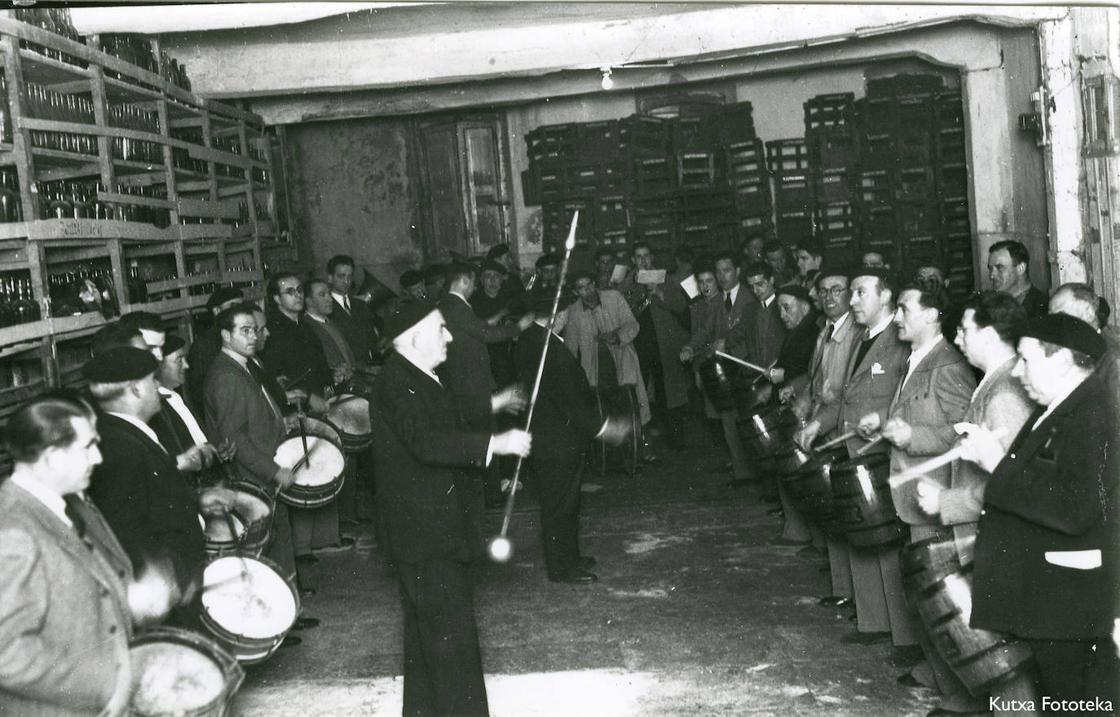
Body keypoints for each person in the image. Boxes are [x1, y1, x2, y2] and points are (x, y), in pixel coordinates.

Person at [370, 302, 532, 717]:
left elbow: (450, 418)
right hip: (426, 536)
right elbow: (426, 442)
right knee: (451, 646)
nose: (450, 337)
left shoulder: (418, 376)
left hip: (434, 531)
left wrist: (491, 411)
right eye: (442, 329)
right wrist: (494, 445)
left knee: (430, 646)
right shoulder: (395, 383)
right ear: (416, 337)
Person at [958, 314, 1118, 710]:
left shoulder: (1094, 415)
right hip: (1050, 599)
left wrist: (998, 465)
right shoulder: (1059, 407)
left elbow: (1076, 508)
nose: (1016, 369)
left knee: (1080, 703)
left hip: (1071, 604)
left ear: (1062, 360)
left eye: (1026, 359)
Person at [0, 394, 175, 717]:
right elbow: (7, 653)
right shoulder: (13, 531)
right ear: (52, 457)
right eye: (87, 447)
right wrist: (109, 683)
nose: (97, 457)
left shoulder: (52, 508)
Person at [914, 291, 1036, 715]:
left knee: (1004, 661)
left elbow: (1012, 485)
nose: (959, 339)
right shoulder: (990, 384)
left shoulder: (1003, 395)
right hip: (980, 537)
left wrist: (947, 500)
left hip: (994, 540)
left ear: (991, 333)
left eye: (965, 329)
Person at [860, 283, 975, 701]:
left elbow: (967, 433)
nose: (899, 316)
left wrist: (912, 436)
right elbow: (913, 412)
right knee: (929, 599)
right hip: (916, 497)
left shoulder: (946, 366)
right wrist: (884, 419)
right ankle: (941, 677)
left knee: (943, 603)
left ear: (932, 315)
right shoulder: (916, 359)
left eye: (905, 308)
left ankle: (961, 697)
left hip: (937, 499)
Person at [797, 268, 909, 647]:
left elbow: (906, 403)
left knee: (886, 544)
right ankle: (874, 621)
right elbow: (844, 395)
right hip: (853, 452)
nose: (853, 300)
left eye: (860, 293)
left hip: (882, 457)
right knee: (862, 536)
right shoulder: (862, 337)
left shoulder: (900, 340)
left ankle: (903, 636)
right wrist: (818, 424)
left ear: (886, 296)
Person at [85, 347, 207, 624]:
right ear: (135, 390)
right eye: (153, 380)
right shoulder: (120, 446)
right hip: (166, 589)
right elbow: (126, 528)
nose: (158, 386)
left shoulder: (129, 433)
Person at [514, 296, 617, 583]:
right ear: (557, 316)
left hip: (551, 436)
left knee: (566, 503)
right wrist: (601, 428)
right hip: (557, 439)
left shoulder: (532, 338)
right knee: (560, 504)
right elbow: (568, 399)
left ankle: (569, 556)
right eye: (565, 314)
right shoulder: (548, 346)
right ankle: (563, 567)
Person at [793, 271, 861, 610]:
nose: (830, 296)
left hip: (838, 427)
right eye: (823, 291)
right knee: (832, 506)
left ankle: (853, 591)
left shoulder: (855, 334)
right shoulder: (824, 332)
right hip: (822, 425)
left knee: (846, 509)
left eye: (837, 289)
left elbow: (845, 391)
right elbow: (817, 378)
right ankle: (843, 586)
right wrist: (804, 400)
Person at [680, 252, 757, 481]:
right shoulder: (717, 302)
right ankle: (741, 472)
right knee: (729, 419)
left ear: (738, 272)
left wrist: (729, 342)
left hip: (748, 367)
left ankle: (758, 471)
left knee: (750, 420)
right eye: (719, 271)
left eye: (727, 270)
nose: (723, 276)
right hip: (725, 371)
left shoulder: (750, 295)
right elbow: (705, 331)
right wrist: (690, 348)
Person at [622, 242, 692, 449]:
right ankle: (642, 443)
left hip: (664, 346)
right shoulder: (627, 284)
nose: (643, 260)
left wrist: (659, 294)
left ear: (652, 258)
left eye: (646, 256)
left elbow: (681, 307)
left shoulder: (666, 279)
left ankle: (676, 440)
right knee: (639, 394)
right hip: (639, 347)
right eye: (638, 257)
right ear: (633, 261)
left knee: (669, 394)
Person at [565, 271, 653, 433]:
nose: (588, 290)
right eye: (582, 288)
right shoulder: (574, 312)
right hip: (596, 373)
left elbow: (632, 324)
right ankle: (614, 455)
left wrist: (618, 337)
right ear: (575, 292)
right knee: (606, 416)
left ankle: (639, 449)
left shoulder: (614, 297)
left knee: (632, 410)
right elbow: (570, 348)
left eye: (590, 285)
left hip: (623, 363)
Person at [768, 284, 821, 545]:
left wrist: (787, 378)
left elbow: (813, 373)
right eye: (779, 308)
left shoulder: (811, 332)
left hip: (805, 411)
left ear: (805, 305)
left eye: (786, 307)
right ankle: (798, 531)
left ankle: (802, 533)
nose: (782, 314)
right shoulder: (801, 330)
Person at [185, 286, 243, 412]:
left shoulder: (240, 338)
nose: (240, 311)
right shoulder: (205, 345)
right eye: (233, 306)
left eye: (242, 307)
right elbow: (199, 393)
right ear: (217, 310)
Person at [728, 262, 785, 371]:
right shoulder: (749, 309)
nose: (755, 291)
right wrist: (724, 342)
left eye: (759, 284)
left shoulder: (784, 304)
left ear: (772, 280)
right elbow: (740, 331)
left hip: (780, 372)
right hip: (757, 373)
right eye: (751, 287)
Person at [327, 254, 381, 366]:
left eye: (349, 276)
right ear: (330, 278)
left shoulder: (360, 304)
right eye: (341, 276)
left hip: (368, 366)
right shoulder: (326, 306)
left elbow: (372, 339)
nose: (346, 281)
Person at [987, 239, 1047, 318]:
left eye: (1000, 268)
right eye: (991, 269)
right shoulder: (989, 305)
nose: (992, 275)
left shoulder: (1042, 308)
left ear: (1021, 268)